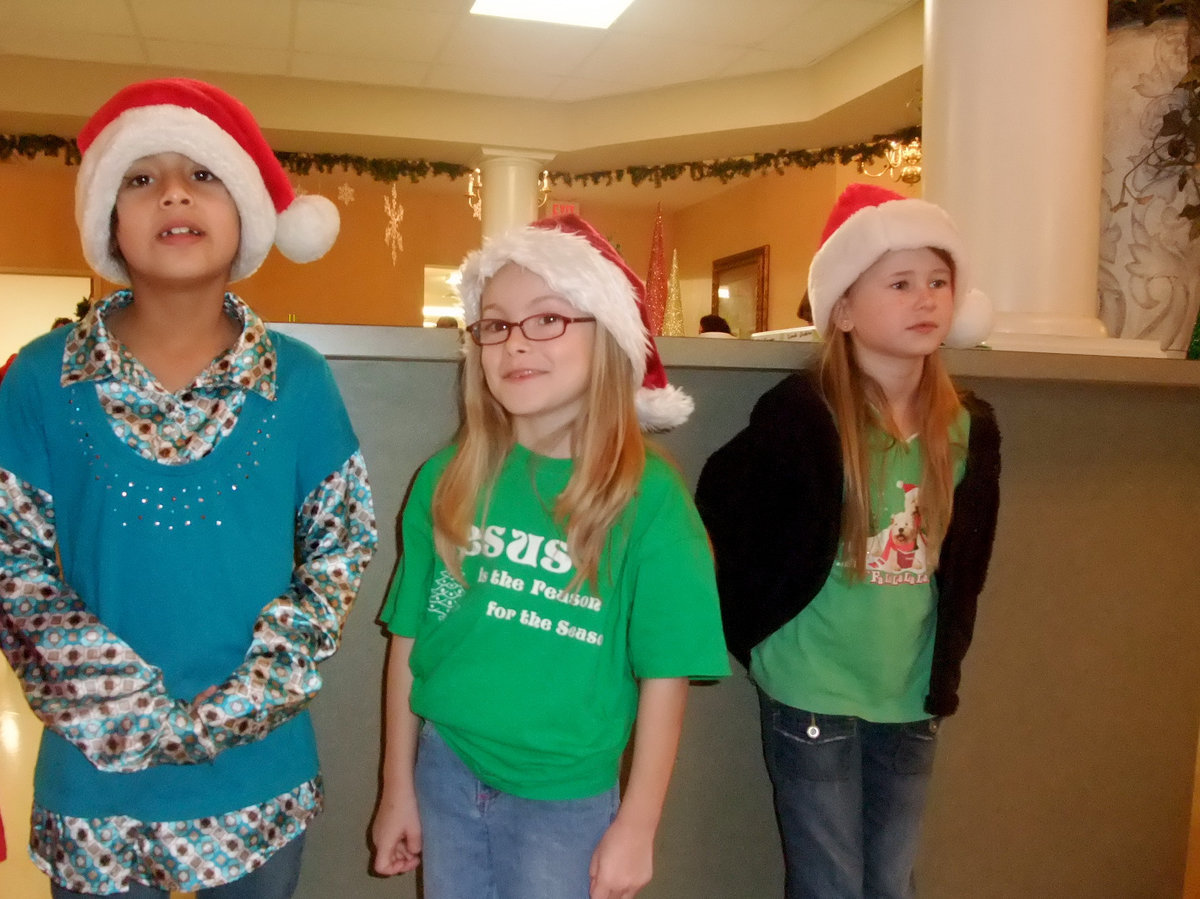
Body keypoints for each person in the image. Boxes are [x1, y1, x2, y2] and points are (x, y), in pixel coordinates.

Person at [0, 78, 376, 897]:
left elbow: (340, 547)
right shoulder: (39, 379)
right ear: (108, 220)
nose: (173, 191)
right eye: (141, 178)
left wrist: (240, 702)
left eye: (203, 174)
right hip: (96, 780)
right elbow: (10, 565)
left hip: (255, 775)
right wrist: (129, 710)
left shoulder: (300, 383)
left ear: (247, 213)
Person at [371, 213, 730, 899]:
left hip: (565, 800)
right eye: (496, 324)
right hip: (445, 769)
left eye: (547, 320)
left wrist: (639, 823)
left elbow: (667, 674)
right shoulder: (446, 479)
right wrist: (397, 788)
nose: (515, 343)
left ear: (610, 340)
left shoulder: (649, 499)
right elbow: (409, 643)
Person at [695, 183, 1001, 899]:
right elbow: (721, 502)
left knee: (891, 881)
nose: (925, 298)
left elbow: (969, 564)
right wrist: (755, 633)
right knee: (829, 883)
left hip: (911, 695)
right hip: (812, 691)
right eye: (899, 283)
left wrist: (945, 664)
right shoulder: (802, 416)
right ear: (843, 310)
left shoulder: (969, 428)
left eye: (938, 281)